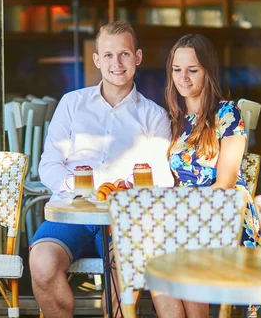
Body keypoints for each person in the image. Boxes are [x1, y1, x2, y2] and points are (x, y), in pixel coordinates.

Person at [30, 20, 173, 318]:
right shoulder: (72, 104)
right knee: (42, 264)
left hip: (124, 219)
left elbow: (161, 178)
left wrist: (124, 191)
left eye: (123, 54)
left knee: (121, 278)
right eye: (108, 55)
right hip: (73, 214)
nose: (116, 63)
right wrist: (83, 187)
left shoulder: (154, 116)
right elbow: (49, 165)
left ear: (138, 57)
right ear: (97, 60)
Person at [157, 33, 261, 318]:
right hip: (187, 219)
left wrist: (184, 211)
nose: (184, 78)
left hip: (225, 213)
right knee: (151, 255)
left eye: (193, 70)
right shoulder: (174, 120)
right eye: (177, 70)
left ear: (208, 71)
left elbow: (226, 182)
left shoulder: (228, 113)